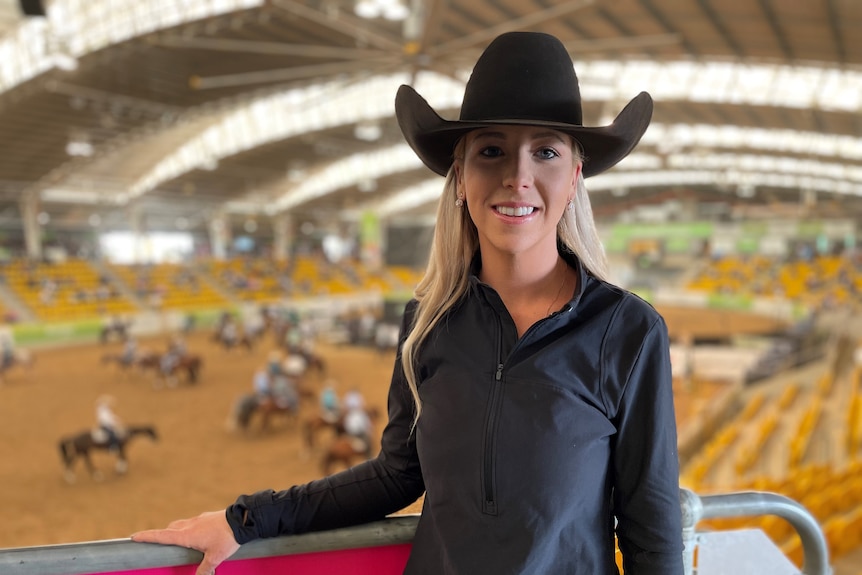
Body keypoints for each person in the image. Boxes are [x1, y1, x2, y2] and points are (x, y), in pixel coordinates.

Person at [131, 31, 684, 575]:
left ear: (574, 178)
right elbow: (396, 475)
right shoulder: (427, 323)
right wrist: (246, 520)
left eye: (545, 152)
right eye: (491, 151)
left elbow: (651, 531)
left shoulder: (627, 329)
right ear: (461, 178)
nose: (518, 176)